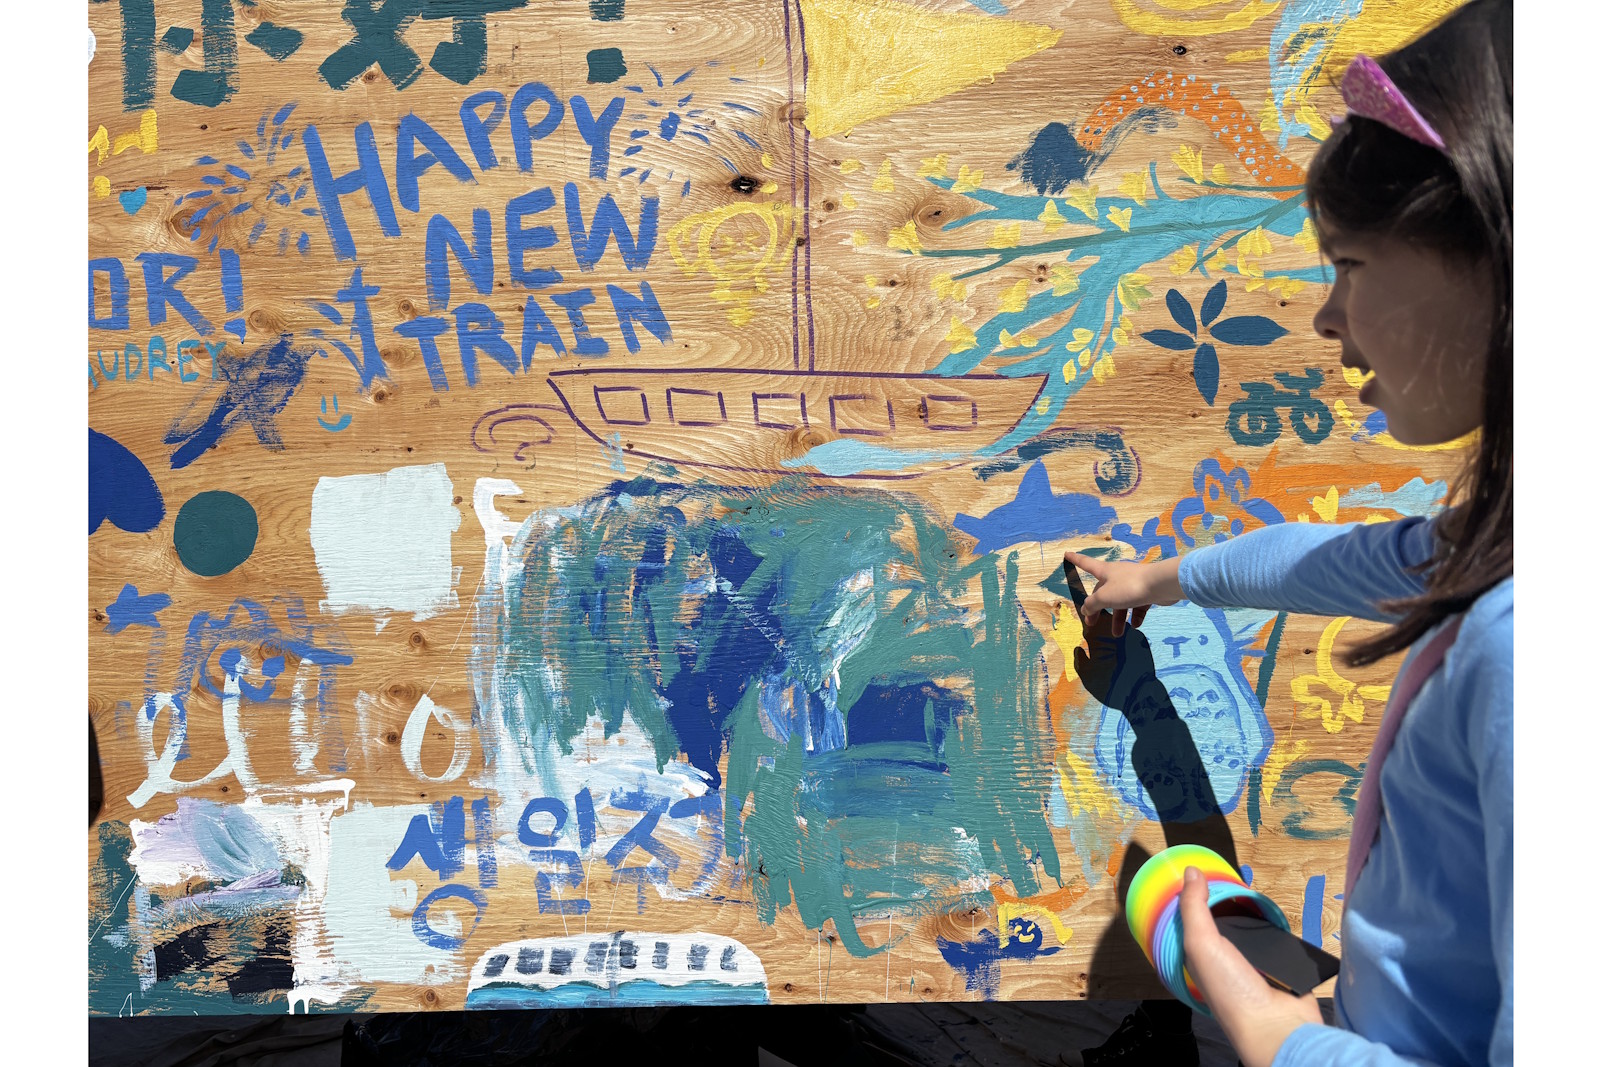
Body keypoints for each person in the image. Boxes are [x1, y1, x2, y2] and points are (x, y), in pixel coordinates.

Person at [1059, 0, 1512, 1064]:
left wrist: (1282, 1040)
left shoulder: (1528, 646)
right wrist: (1156, 579)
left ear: (1497, 262)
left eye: (1348, 264)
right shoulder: (1505, 549)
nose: (1325, 314)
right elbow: (1335, 560)